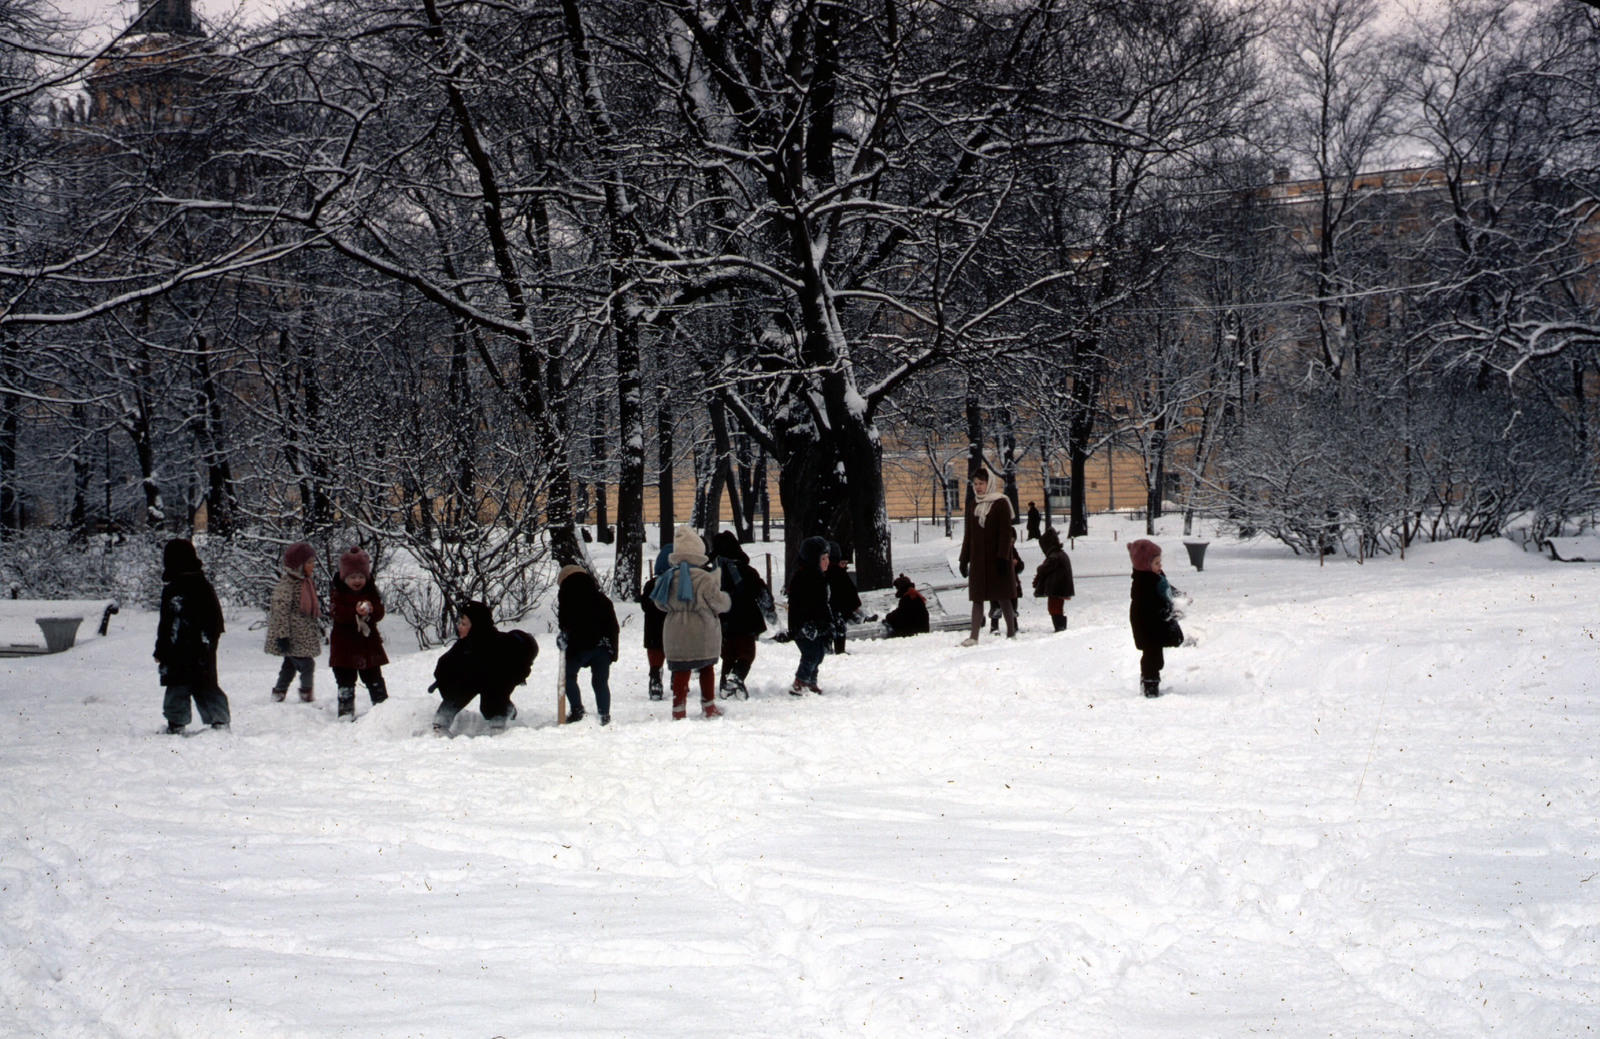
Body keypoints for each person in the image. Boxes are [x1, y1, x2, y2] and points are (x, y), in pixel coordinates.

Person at [652, 525, 731, 720]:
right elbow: (718, 603)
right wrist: (725, 597)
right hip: (703, 632)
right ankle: (709, 706)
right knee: (706, 668)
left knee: (681, 670)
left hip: (675, 633)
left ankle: (678, 709)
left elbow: (660, 604)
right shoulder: (705, 578)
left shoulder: (667, 577)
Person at [154, 538, 230, 733]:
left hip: (178, 651)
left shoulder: (173, 590)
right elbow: (216, 620)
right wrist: (211, 641)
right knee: (206, 685)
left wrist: (161, 650)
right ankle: (219, 721)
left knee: (177, 687)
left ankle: (176, 724)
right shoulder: (203, 585)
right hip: (202, 649)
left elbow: (167, 625)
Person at [432, 600, 537, 733]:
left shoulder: (494, 647)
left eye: (464, 624)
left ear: (476, 626)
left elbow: (501, 682)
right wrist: (444, 681)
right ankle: (441, 721)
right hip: (479, 677)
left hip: (499, 681)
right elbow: (444, 665)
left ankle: (500, 720)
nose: (459, 627)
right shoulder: (464, 644)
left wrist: (498, 710)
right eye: (460, 623)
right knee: (460, 689)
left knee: (490, 700)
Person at [957, 465, 1018, 645]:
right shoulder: (973, 505)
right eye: (975, 484)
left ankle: (1011, 633)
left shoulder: (1001, 503)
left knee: (1003, 596)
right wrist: (964, 559)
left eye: (981, 483)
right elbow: (968, 534)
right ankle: (974, 636)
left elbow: (1005, 533)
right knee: (977, 598)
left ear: (989, 483)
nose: (978, 487)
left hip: (997, 559)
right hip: (978, 561)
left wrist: (1002, 557)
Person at [711, 531, 774, 700]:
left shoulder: (713, 573)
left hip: (723, 621)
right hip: (745, 620)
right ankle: (736, 677)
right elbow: (762, 592)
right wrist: (769, 609)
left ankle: (725, 685)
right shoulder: (745, 570)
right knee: (746, 653)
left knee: (728, 655)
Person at [328, 546, 389, 719]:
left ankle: (383, 710)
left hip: (367, 646)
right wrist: (354, 612)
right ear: (344, 577)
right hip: (344, 647)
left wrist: (371, 609)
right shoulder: (337, 592)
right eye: (352, 577)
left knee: (374, 679)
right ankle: (346, 713)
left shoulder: (371, 592)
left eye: (361, 576)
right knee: (345, 681)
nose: (357, 580)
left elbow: (380, 612)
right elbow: (336, 612)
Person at [557, 564, 619, 725]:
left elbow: (566, 625)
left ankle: (577, 709)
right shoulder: (602, 599)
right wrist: (612, 652)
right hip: (602, 648)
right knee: (600, 682)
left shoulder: (567, 597)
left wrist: (564, 639)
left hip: (578, 648)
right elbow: (614, 627)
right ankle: (604, 714)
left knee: (568, 676)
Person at [266, 541, 322, 702]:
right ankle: (306, 695)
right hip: (291, 636)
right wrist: (282, 636)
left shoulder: (305, 583)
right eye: (309, 562)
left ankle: (278, 693)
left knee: (289, 665)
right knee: (307, 665)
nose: (312, 566)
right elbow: (280, 612)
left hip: (301, 636)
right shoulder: (287, 585)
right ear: (298, 565)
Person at [1127, 539, 1183, 698]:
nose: (1160, 566)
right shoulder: (1143, 583)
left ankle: (1149, 683)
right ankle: (1149, 687)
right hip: (1147, 624)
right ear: (1145, 564)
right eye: (1157, 563)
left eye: (1160, 562)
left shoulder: (1156, 576)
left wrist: (1180, 597)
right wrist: (1169, 610)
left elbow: (1167, 588)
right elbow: (1152, 605)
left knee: (1155, 656)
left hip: (1155, 624)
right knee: (1152, 657)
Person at [784, 536, 833, 694]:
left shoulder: (820, 578)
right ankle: (800, 682)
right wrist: (807, 623)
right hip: (803, 626)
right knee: (810, 653)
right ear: (813, 560)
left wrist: (828, 621)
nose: (827, 562)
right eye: (823, 558)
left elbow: (822, 604)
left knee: (819, 653)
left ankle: (811, 680)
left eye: (827, 558)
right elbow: (800, 605)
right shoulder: (803, 578)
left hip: (817, 624)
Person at [638, 545, 673, 700]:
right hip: (673, 629)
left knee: (656, 658)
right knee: (675, 656)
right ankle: (677, 680)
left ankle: (655, 680)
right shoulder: (678, 583)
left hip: (653, 630)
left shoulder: (651, 584)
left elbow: (644, 605)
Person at [1032, 527, 1076, 633]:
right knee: (1057, 608)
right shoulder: (1060, 554)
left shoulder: (1054, 557)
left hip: (1057, 588)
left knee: (1054, 608)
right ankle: (1060, 626)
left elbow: (1044, 569)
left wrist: (1039, 570)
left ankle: (1059, 627)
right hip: (1061, 588)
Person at [825, 540, 862, 655]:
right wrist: (855, 605)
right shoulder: (839, 572)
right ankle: (839, 650)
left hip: (826, 607)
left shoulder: (822, 571)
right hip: (839, 607)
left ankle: (827, 649)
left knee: (827, 628)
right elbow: (850, 590)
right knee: (839, 628)